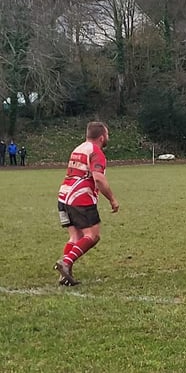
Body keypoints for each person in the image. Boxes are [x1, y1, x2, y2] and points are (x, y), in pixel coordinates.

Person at [54, 122, 120, 286]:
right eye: (107, 135)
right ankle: (66, 262)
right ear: (102, 137)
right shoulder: (96, 152)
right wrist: (112, 199)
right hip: (80, 198)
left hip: (63, 196)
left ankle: (65, 275)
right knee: (92, 235)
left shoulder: (78, 148)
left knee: (75, 236)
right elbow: (98, 178)